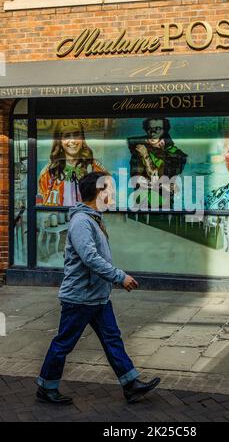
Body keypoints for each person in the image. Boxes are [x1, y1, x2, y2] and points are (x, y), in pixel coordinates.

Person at [35, 171, 160, 405]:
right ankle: (46, 386)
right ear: (99, 191)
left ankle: (130, 384)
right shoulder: (82, 222)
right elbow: (90, 258)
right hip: (80, 298)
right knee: (64, 343)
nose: (113, 192)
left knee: (113, 339)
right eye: (110, 188)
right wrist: (119, 276)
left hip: (97, 296)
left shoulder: (93, 219)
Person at [38, 119, 107, 206]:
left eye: (76, 134)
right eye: (67, 136)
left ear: (82, 139)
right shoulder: (48, 173)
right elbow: (41, 206)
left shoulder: (96, 168)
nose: (72, 141)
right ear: (60, 141)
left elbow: (107, 200)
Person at [128, 118, 187, 208]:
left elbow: (166, 177)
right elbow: (136, 178)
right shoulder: (139, 150)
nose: (152, 132)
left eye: (158, 128)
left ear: (164, 131)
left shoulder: (176, 154)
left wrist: (146, 156)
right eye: (149, 129)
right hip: (142, 204)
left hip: (164, 204)